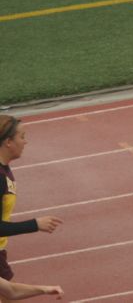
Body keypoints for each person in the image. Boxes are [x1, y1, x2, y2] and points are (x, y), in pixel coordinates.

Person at [0, 115, 64, 301]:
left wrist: (44, 289)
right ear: (8, 142)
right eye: (22, 136)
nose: (25, 142)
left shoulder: (4, 170)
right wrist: (35, 224)